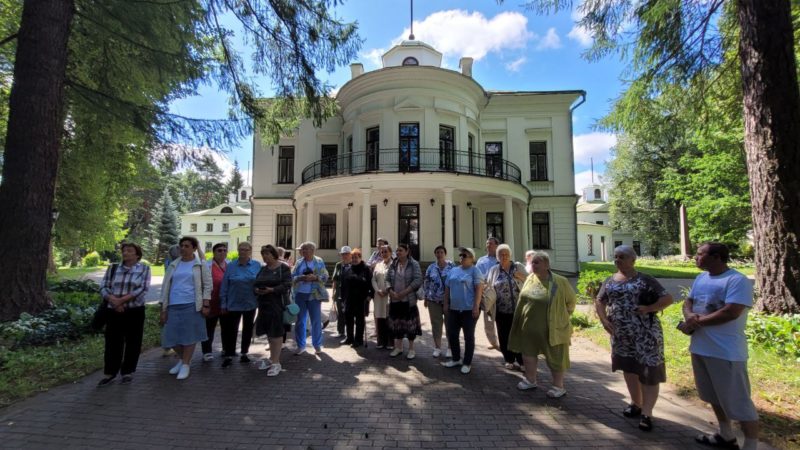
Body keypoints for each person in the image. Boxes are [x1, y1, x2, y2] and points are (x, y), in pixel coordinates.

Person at [679, 243, 758, 450]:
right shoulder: (701, 278)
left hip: (726, 351)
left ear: (716, 257)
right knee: (712, 395)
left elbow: (731, 312)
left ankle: (751, 444)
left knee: (738, 401)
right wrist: (689, 316)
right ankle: (725, 434)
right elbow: (688, 302)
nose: (695, 257)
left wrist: (697, 322)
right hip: (700, 347)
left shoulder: (737, 280)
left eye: (700, 254)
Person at [596, 245, 673, 431]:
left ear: (633, 260)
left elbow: (668, 299)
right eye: (615, 257)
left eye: (622, 257)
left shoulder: (645, 280)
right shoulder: (610, 280)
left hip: (645, 334)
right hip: (621, 335)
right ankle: (635, 403)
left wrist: (649, 308)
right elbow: (599, 301)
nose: (617, 260)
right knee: (629, 368)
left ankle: (647, 412)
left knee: (648, 371)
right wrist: (604, 320)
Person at [508, 251, 575, 398]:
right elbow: (523, 299)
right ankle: (530, 380)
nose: (534, 265)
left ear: (546, 265)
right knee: (528, 354)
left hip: (553, 329)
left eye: (537, 262)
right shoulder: (530, 278)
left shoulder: (560, 281)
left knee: (556, 357)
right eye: (532, 262)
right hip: (528, 328)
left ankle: (558, 387)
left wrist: (561, 317)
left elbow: (571, 303)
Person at [97, 242, 151, 386]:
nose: (125, 253)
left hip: (134, 311)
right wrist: (114, 301)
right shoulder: (113, 268)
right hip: (113, 311)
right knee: (112, 342)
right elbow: (104, 286)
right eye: (124, 250)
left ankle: (127, 371)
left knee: (133, 341)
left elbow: (143, 289)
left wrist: (121, 301)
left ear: (137, 255)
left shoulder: (144, 268)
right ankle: (110, 372)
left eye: (129, 250)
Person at [160, 236, 212, 380]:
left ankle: (185, 365)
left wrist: (206, 304)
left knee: (189, 336)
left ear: (194, 248)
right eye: (181, 246)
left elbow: (208, 285)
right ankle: (183, 360)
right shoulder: (174, 264)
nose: (183, 248)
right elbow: (165, 286)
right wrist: (163, 308)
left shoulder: (200, 264)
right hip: (173, 304)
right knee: (169, 338)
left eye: (187, 246)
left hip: (191, 304)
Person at [219, 242, 262, 367]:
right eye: (240, 249)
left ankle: (244, 353)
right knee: (231, 330)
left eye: (245, 249)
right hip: (233, 303)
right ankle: (229, 354)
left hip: (250, 303)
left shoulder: (256, 265)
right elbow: (225, 285)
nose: (243, 251)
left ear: (250, 251)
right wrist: (223, 303)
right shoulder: (231, 266)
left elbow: (260, 282)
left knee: (247, 329)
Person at [442, 247, 483, 374]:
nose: (461, 257)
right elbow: (447, 288)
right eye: (460, 255)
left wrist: (476, 306)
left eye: (464, 255)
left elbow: (479, 289)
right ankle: (456, 359)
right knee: (452, 334)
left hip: (469, 310)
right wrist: (446, 304)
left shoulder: (475, 270)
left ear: (472, 258)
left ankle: (467, 362)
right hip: (454, 309)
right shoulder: (453, 270)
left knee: (468, 336)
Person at [485, 244, 527, 369]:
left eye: (506, 254)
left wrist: (521, 276)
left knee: (519, 336)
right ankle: (509, 359)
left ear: (510, 255)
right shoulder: (494, 270)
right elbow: (489, 286)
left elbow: (531, 280)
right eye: (501, 255)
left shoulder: (518, 267)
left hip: (519, 309)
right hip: (501, 310)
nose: (504, 257)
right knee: (504, 336)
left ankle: (521, 361)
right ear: (497, 257)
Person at [254, 244, 292, 377]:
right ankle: (271, 359)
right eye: (263, 254)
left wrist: (272, 290)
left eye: (267, 254)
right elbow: (256, 283)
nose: (265, 257)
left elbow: (287, 285)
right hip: (264, 305)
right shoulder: (263, 268)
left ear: (274, 254)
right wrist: (257, 290)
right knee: (269, 333)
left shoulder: (283, 267)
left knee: (276, 333)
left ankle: (276, 363)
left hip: (277, 305)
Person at [291, 241, 329, 355]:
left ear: (312, 250)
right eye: (302, 249)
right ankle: (301, 346)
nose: (303, 251)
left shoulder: (319, 261)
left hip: (314, 295)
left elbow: (325, 276)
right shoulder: (299, 262)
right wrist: (300, 278)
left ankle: (317, 345)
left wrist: (315, 277)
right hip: (300, 294)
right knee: (300, 321)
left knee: (316, 321)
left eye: (305, 249)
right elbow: (292, 277)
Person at [386, 243, 423, 359]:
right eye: (397, 250)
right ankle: (399, 348)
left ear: (407, 252)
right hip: (395, 300)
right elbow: (387, 279)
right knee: (397, 324)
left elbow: (418, 280)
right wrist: (390, 291)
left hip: (408, 300)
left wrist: (405, 292)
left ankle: (411, 350)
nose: (398, 252)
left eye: (401, 250)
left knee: (410, 326)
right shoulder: (393, 264)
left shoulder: (414, 264)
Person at [423, 245, 455, 358]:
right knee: (436, 324)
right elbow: (426, 282)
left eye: (441, 252)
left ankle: (450, 348)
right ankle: (437, 347)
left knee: (450, 324)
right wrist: (426, 297)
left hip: (449, 301)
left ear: (445, 254)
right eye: (437, 252)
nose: (439, 254)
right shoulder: (431, 267)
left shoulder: (452, 266)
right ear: (435, 254)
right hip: (433, 300)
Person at [201, 242, 227, 362]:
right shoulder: (208, 265)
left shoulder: (229, 265)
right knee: (209, 328)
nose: (222, 252)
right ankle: (207, 351)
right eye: (219, 250)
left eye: (224, 250)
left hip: (225, 303)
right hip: (211, 302)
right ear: (214, 252)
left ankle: (226, 349)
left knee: (226, 328)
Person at [341, 248, 372, 347]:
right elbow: (343, 285)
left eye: (356, 257)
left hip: (361, 299)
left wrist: (370, 295)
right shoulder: (348, 269)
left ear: (360, 258)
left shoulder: (366, 269)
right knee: (348, 318)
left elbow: (370, 283)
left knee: (359, 320)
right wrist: (343, 298)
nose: (354, 259)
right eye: (353, 257)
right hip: (349, 298)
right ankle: (349, 338)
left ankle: (358, 340)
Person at [475, 237, 501, 350]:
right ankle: (493, 342)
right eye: (487, 243)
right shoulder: (481, 260)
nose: (488, 245)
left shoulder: (501, 259)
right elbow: (476, 274)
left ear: (496, 246)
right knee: (488, 319)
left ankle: (503, 340)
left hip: (499, 292)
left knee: (500, 318)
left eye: (491, 243)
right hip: (485, 291)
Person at [370, 245, 393, 349]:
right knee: (379, 318)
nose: (384, 254)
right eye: (382, 252)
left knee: (389, 318)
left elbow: (395, 279)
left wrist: (387, 290)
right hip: (378, 295)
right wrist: (377, 290)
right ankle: (380, 341)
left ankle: (390, 342)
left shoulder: (394, 265)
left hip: (390, 294)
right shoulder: (378, 265)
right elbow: (373, 279)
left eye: (386, 251)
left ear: (390, 253)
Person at [332, 246, 353, 340]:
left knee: (349, 313)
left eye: (346, 254)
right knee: (340, 313)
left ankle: (350, 333)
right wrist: (333, 292)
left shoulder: (353, 264)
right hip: (339, 292)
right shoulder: (338, 265)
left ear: (350, 255)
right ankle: (341, 332)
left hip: (350, 292)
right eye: (343, 254)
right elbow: (335, 280)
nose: (344, 256)